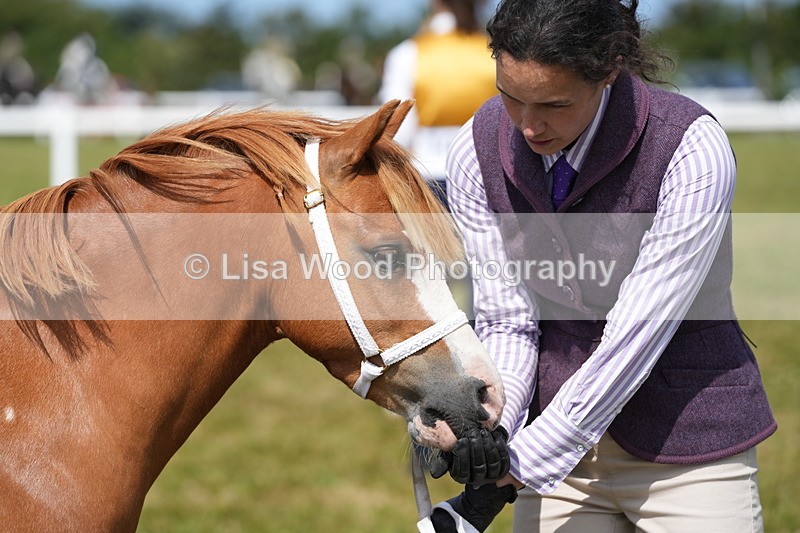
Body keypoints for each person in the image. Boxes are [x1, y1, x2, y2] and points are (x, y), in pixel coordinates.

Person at [428, 0, 777, 532]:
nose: (528, 126)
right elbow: (508, 320)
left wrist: (517, 466)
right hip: (556, 458)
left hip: (689, 443)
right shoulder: (474, 151)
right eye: (511, 97)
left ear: (610, 69)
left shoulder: (692, 147)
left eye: (555, 104)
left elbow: (638, 333)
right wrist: (491, 422)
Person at [378, 0, 497, 206]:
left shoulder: (408, 53)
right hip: (487, 175)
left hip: (428, 176)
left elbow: (399, 131)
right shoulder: (496, 52)